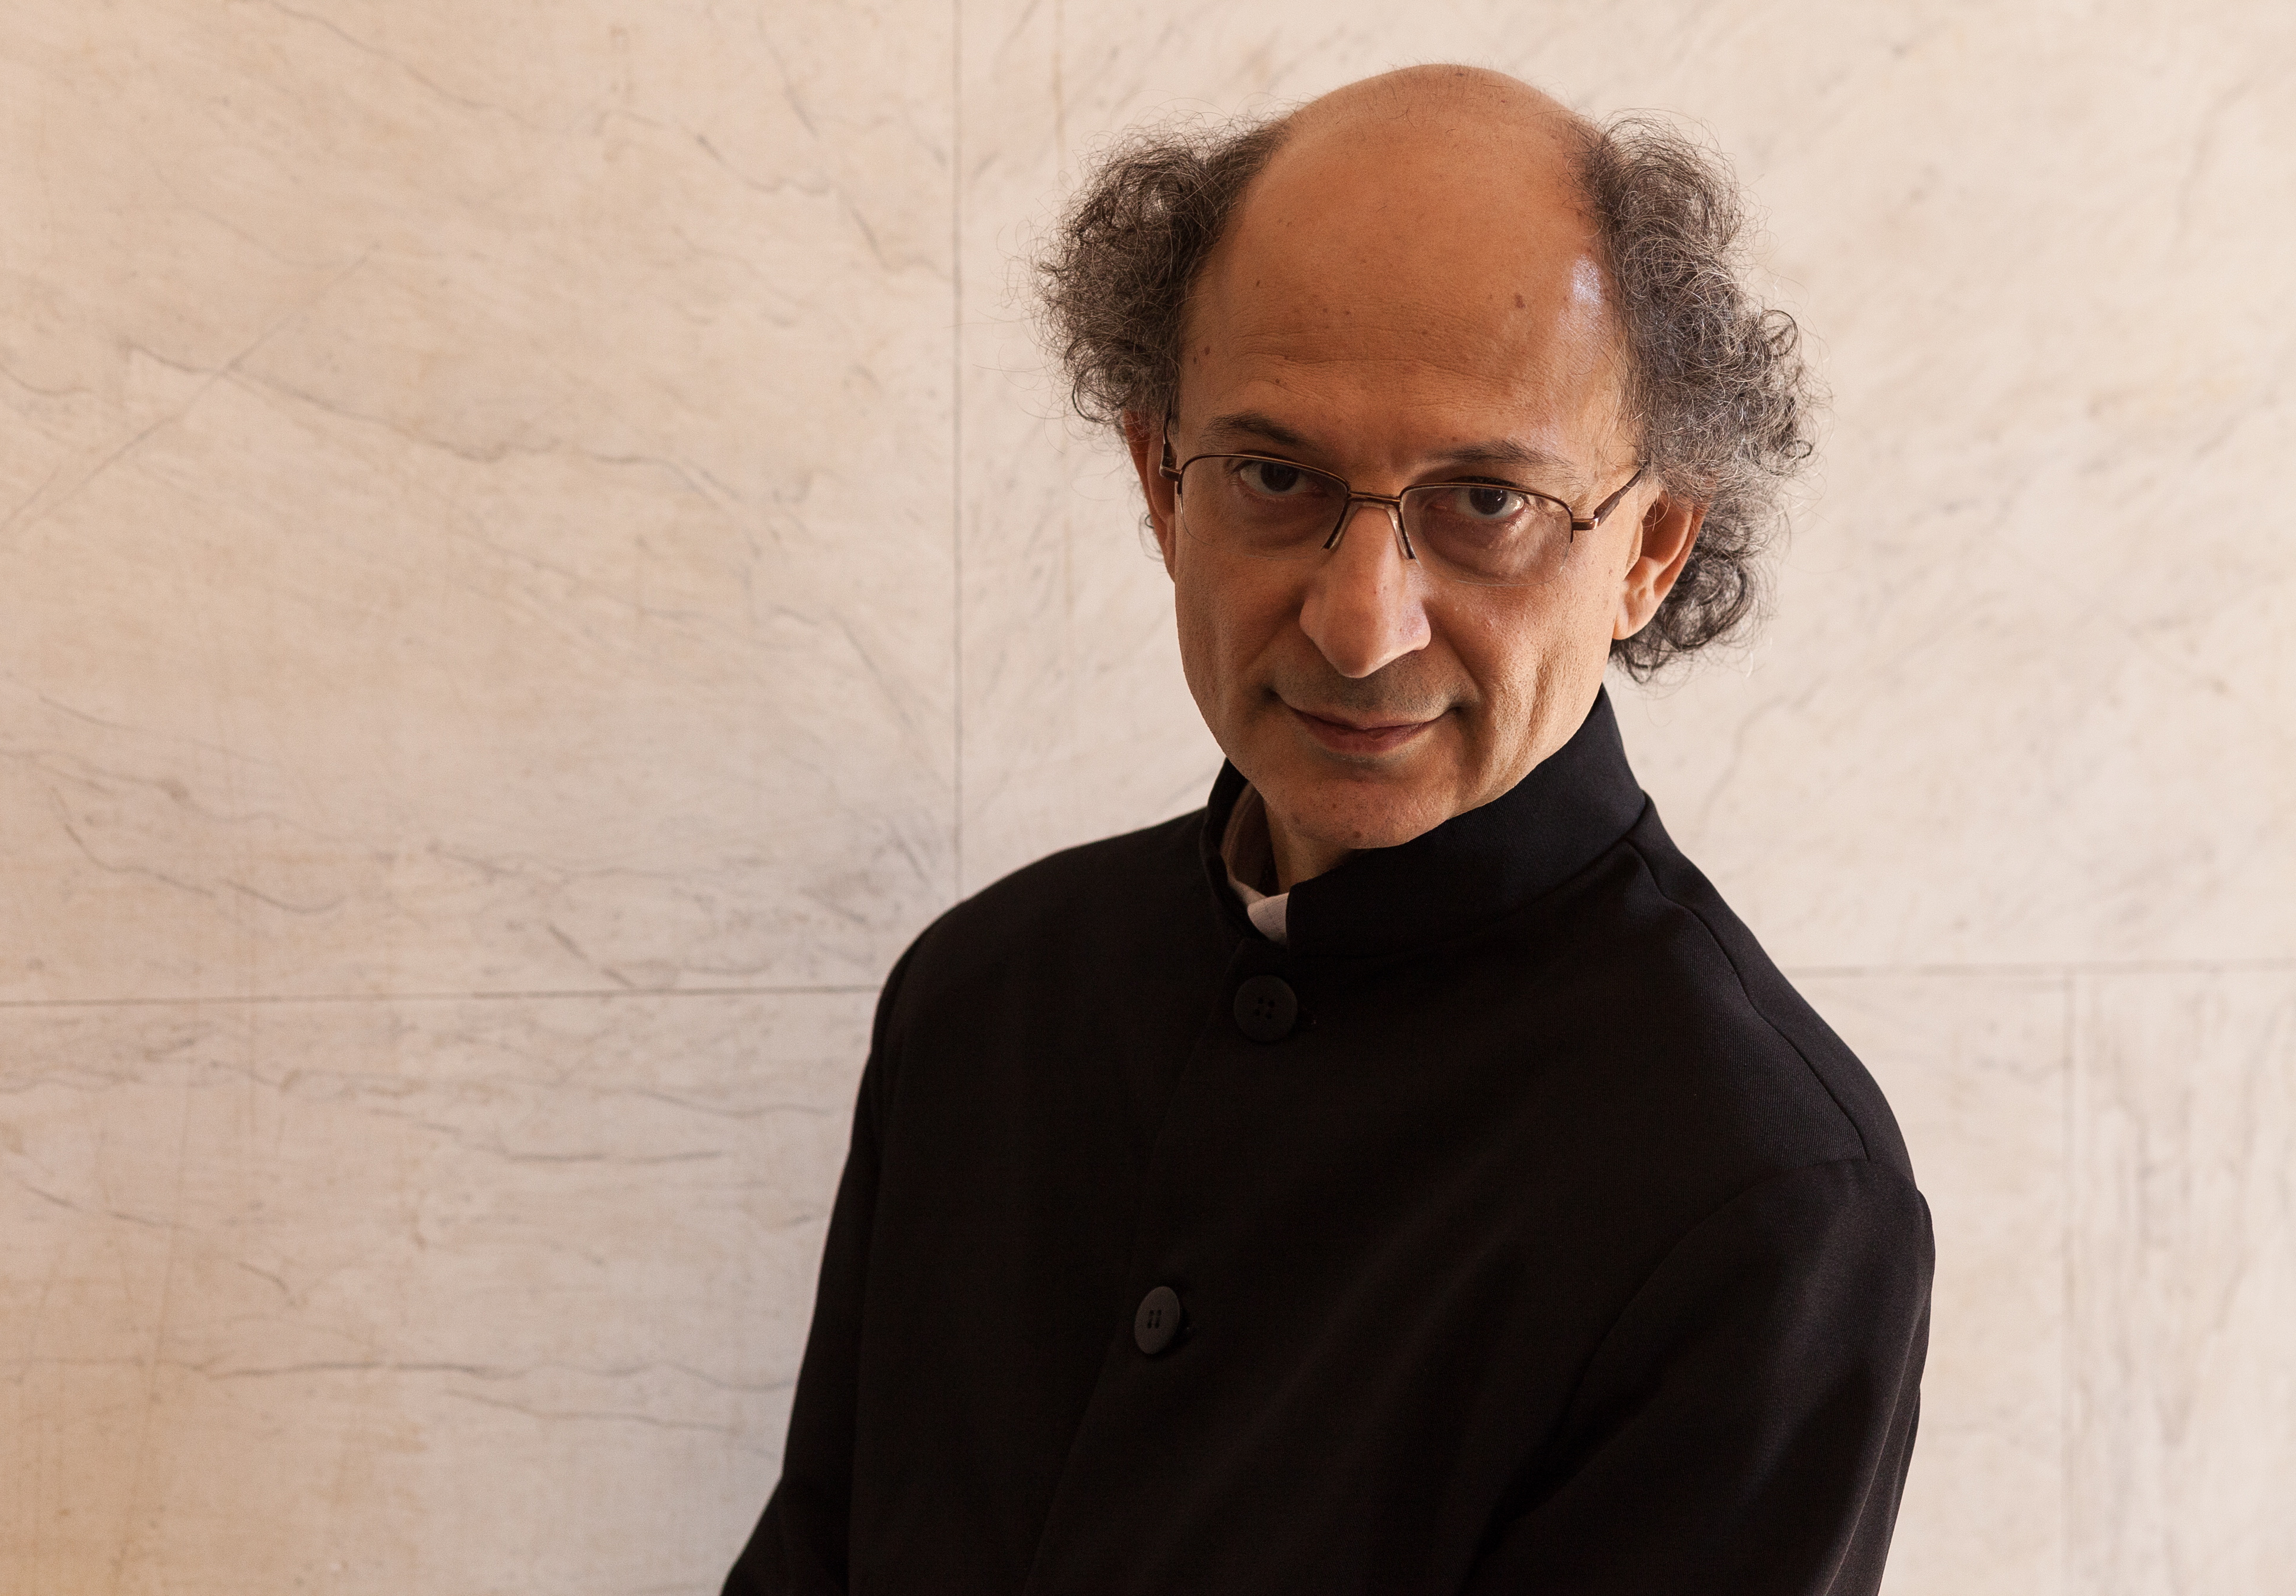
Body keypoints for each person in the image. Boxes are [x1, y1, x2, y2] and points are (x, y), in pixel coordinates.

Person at [727, 64, 1931, 1595]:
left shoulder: (1763, 1191)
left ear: (1653, 547)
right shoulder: (980, 998)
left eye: (1486, 502)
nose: (1362, 625)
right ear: (1162, 484)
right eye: (1277, 476)